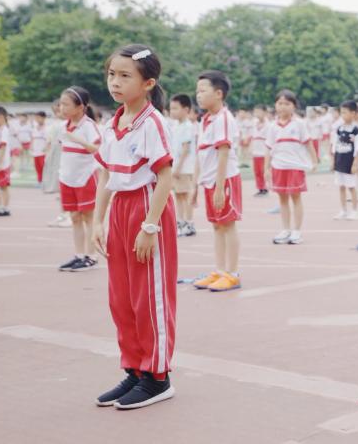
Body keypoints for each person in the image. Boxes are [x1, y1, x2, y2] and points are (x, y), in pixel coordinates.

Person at [90, 44, 177, 409]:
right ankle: (134, 370)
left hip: (146, 208)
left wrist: (150, 226)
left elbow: (165, 175)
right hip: (119, 210)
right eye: (112, 74)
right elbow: (106, 173)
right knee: (122, 298)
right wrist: (98, 219)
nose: (116, 82)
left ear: (147, 83)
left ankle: (158, 376)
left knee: (149, 298)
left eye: (126, 76)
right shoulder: (113, 123)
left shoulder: (152, 123)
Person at [191, 70, 244, 291]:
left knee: (228, 225)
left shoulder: (223, 118)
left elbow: (223, 153)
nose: (198, 95)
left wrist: (221, 188)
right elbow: (201, 154)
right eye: (197, 91)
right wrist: (196, 184)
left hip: (225, 180)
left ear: (219, 93)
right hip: (210, 181)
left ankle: (232, 273)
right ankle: (220, 270)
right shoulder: (206, 120)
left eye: (203, 91)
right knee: (216, 226)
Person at [57, 87, 102, 271]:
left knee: (88, 217)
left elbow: (96, 148)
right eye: (61, 104)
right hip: (67, 177)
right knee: (75, 217)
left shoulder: (88, 125)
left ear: (80, 107)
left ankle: (91, 256)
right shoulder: (64, 125)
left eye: (66, 104)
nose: (62, 107)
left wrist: (78, 140)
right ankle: (79, 254)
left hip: (85, 177)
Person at [265, 90, 317, 244]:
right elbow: (268, 148)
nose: (283, 107)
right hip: (278, 166)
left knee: (296, 198)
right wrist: (266, 168)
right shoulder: (272, 126)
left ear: (293, 106)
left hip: (295, 166)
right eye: (280, 103)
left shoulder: (299, 124)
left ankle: (296, 231)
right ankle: (285, 229)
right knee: (282, 199)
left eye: (287, 104)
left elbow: (308, 143)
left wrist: (314, 161)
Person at [168, 94, 197, 237]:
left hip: (184, 168)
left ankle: (189, 222)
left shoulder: (187, 126)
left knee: (185, 195)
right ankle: (180, 221)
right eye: (171, 108)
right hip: (176, 167)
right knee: (178, 195)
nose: (172, 111)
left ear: (186, 109)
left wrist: (178, 167)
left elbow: (186, 149)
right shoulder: (176, 125)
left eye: (175, 108)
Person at [331, 100, 358, 221]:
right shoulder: (339, 129)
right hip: (340, 160)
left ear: (353, 113)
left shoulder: (356, 130)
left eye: (345, 112)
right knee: (341, 187)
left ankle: (355, 211)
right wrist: (333, 161)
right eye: (341, 113)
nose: (343, 115)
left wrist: (355, 163)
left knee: (351, 187)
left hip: (349, 162)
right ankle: (343, 210)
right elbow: (335, 145)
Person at [251, 105, 270, 196]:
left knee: (263, 170)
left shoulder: (269, 124)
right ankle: (260, 188)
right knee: (257, 171)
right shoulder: (254, 123)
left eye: (259, 112)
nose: (257, 114)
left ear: (265, 112)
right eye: (256, 112)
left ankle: (266, 187)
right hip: (256, 151)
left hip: (264, 151)